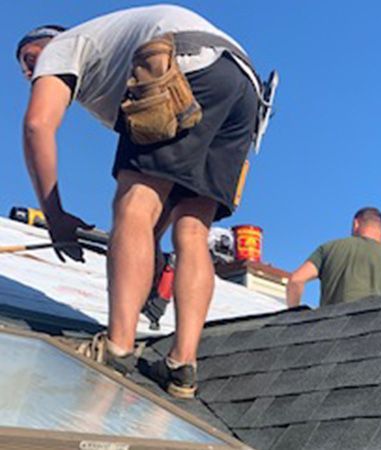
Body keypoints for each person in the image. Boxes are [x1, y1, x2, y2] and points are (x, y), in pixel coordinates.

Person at [17, 5, 264, 398]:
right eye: (25, 69)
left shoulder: (62, 47)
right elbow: (164, 184)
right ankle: (183, 366)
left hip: (183, 64)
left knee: (133, 205)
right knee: (192, 229)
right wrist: (149, 250)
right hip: (243, 87)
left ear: (49, 43)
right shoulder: (110, 70)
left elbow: (36, 125)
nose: (31, 72)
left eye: (30, 59)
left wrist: (56, 216)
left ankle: (117, 347)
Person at [287, 207, 381, 307]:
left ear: (355, 224)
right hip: (380, 335)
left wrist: (294, 318)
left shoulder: (329, 248)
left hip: (331, 332)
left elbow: (296, 279)